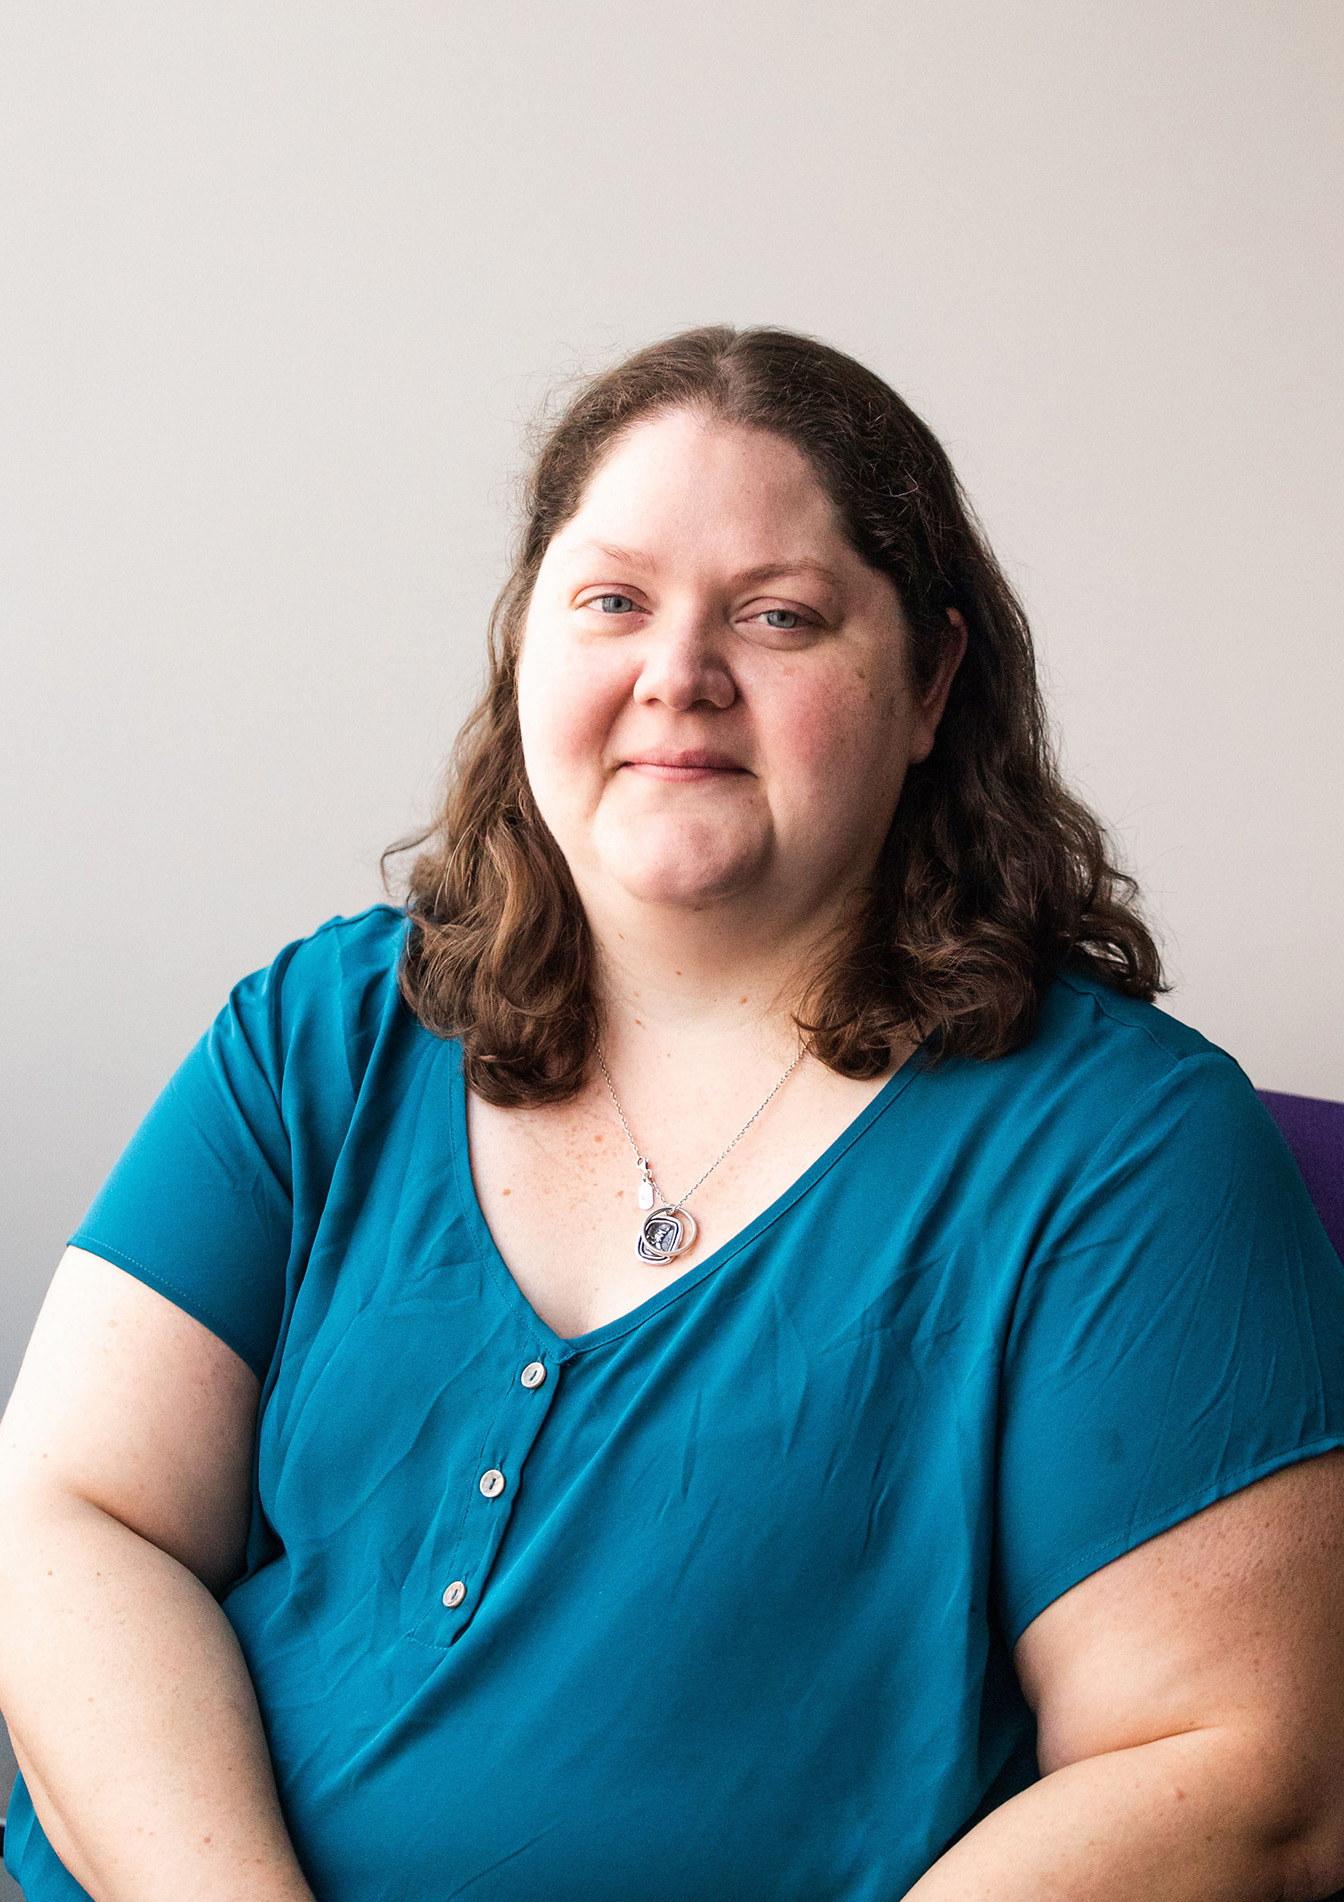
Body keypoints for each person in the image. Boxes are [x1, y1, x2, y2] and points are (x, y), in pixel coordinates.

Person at [2, 325, 1343, 1902]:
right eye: (612, 601)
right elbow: (72, 1510)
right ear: (528, 647)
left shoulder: (1119, 1154)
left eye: (777, 615)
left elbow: (1233, 1772)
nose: (677, 676)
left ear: (931, 686)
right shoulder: (324, 1033)